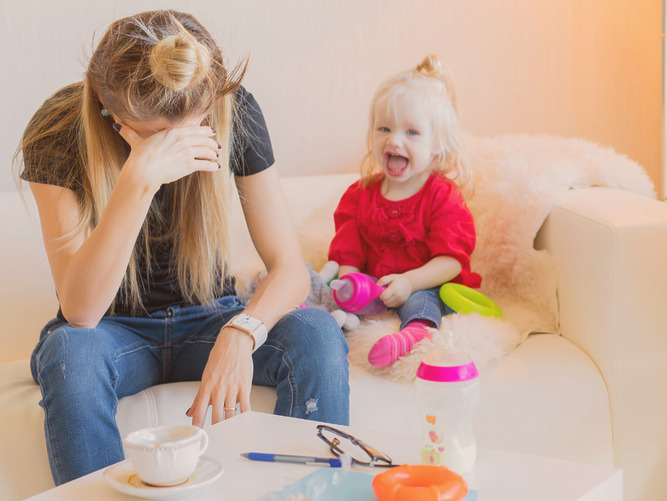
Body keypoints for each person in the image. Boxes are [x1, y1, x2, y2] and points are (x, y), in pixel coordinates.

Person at [15, 10, 349, 485]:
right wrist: (139, 179)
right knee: (70, 352)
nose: (176, 148)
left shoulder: (234, 110)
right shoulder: (59, 130)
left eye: (191, 131)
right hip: (111, 331)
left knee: (316, 333)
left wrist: (242, 332)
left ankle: (310, 495)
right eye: (155, 137)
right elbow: (82, 312)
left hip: (211, 316)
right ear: (108, 111)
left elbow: (289, 270)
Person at [328, 55, 481, 367]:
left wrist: (410, 281)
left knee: (422, 301)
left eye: (411, 132)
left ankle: (416, 333)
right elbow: (349, 255)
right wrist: (350, 286)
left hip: (424, 284)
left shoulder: (442, 196)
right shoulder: (359, 195)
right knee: (334, 292)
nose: (394, 140)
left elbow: (451, 260)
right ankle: (334, 321)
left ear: (437, 143)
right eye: (384, 128)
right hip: (378, 285)